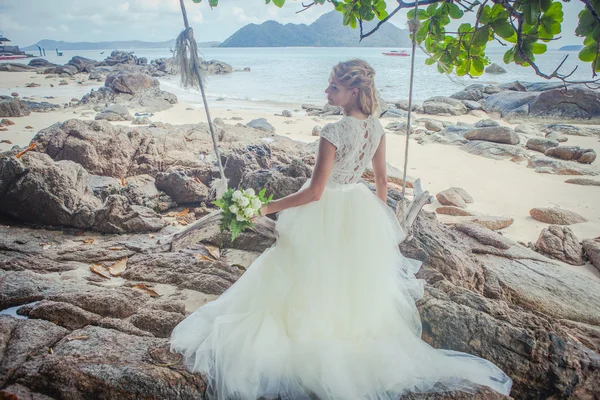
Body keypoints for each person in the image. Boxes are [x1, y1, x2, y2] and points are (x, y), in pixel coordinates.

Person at [170, 59, 513, 400]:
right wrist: (381, 223)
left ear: (353, 91)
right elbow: (381, 182)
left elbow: (314, 193)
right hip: (359, 207)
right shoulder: (376, 128)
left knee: (301, 272)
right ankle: (344, 334)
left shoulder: (332, 132)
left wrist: (263, 208)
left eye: (334, 87)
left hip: (324, 211)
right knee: (348, 278)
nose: (326, 91)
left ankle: (309, 338)